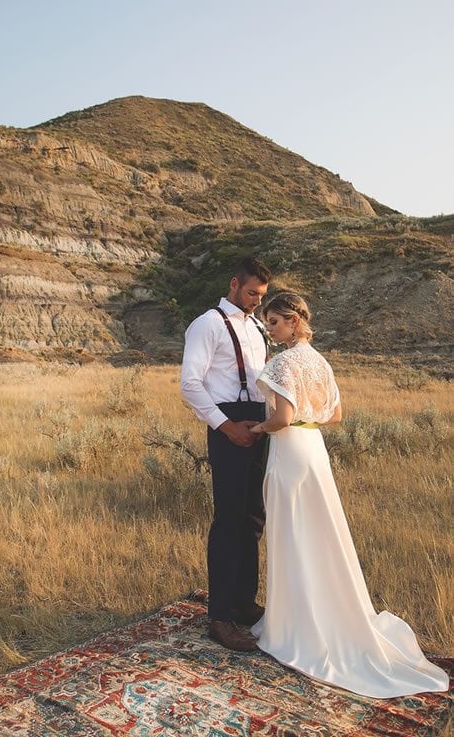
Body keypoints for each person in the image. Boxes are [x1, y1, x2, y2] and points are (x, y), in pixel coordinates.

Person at [249, 289, 449, 698]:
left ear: (293, 321)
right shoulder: (320, 361)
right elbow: (335, 415)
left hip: (289, 450)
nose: (269, 330)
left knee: (291, 534)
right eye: (267, 322)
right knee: (320, 534)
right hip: (314, 450)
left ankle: (291, 627)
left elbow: (281, 418)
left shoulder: (284, 362)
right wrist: (306, 417)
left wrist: (256, 428)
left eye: (273, 322)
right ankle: (316, 614)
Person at [181, 256, 271, 651]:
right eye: (252, 293)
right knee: (229, 519)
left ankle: (243, 604)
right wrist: (225, 426)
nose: (256, 301)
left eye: (261, 295)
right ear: (234, 284)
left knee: (254, 518)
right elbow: (190, 384)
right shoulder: (207, 324)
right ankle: (219, 617)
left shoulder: (256, 327)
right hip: (228, 423)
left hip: (259, 425)